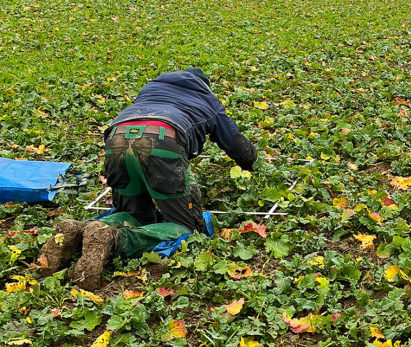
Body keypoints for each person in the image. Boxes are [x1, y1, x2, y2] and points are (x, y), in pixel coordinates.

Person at [38, 68, 256, 290]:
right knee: (185, 227)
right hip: (163, 141)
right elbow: (234, 142)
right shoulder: (207, 100)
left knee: (136, 215)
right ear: (203, 85)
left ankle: (79, 230)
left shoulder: (150, 89)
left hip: (116, 139)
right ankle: (113, 239)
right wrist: (251, 165)